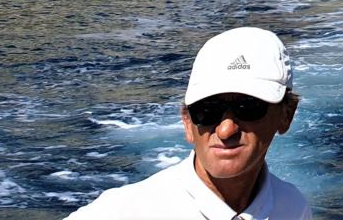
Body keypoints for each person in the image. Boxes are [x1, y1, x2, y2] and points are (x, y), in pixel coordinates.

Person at [67, 26, 310, 219]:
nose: (226, 130)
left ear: (286, 115)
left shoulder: (293, 207)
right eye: (207, 110)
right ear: (187, 122)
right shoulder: (121, 213)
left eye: (248, 108)